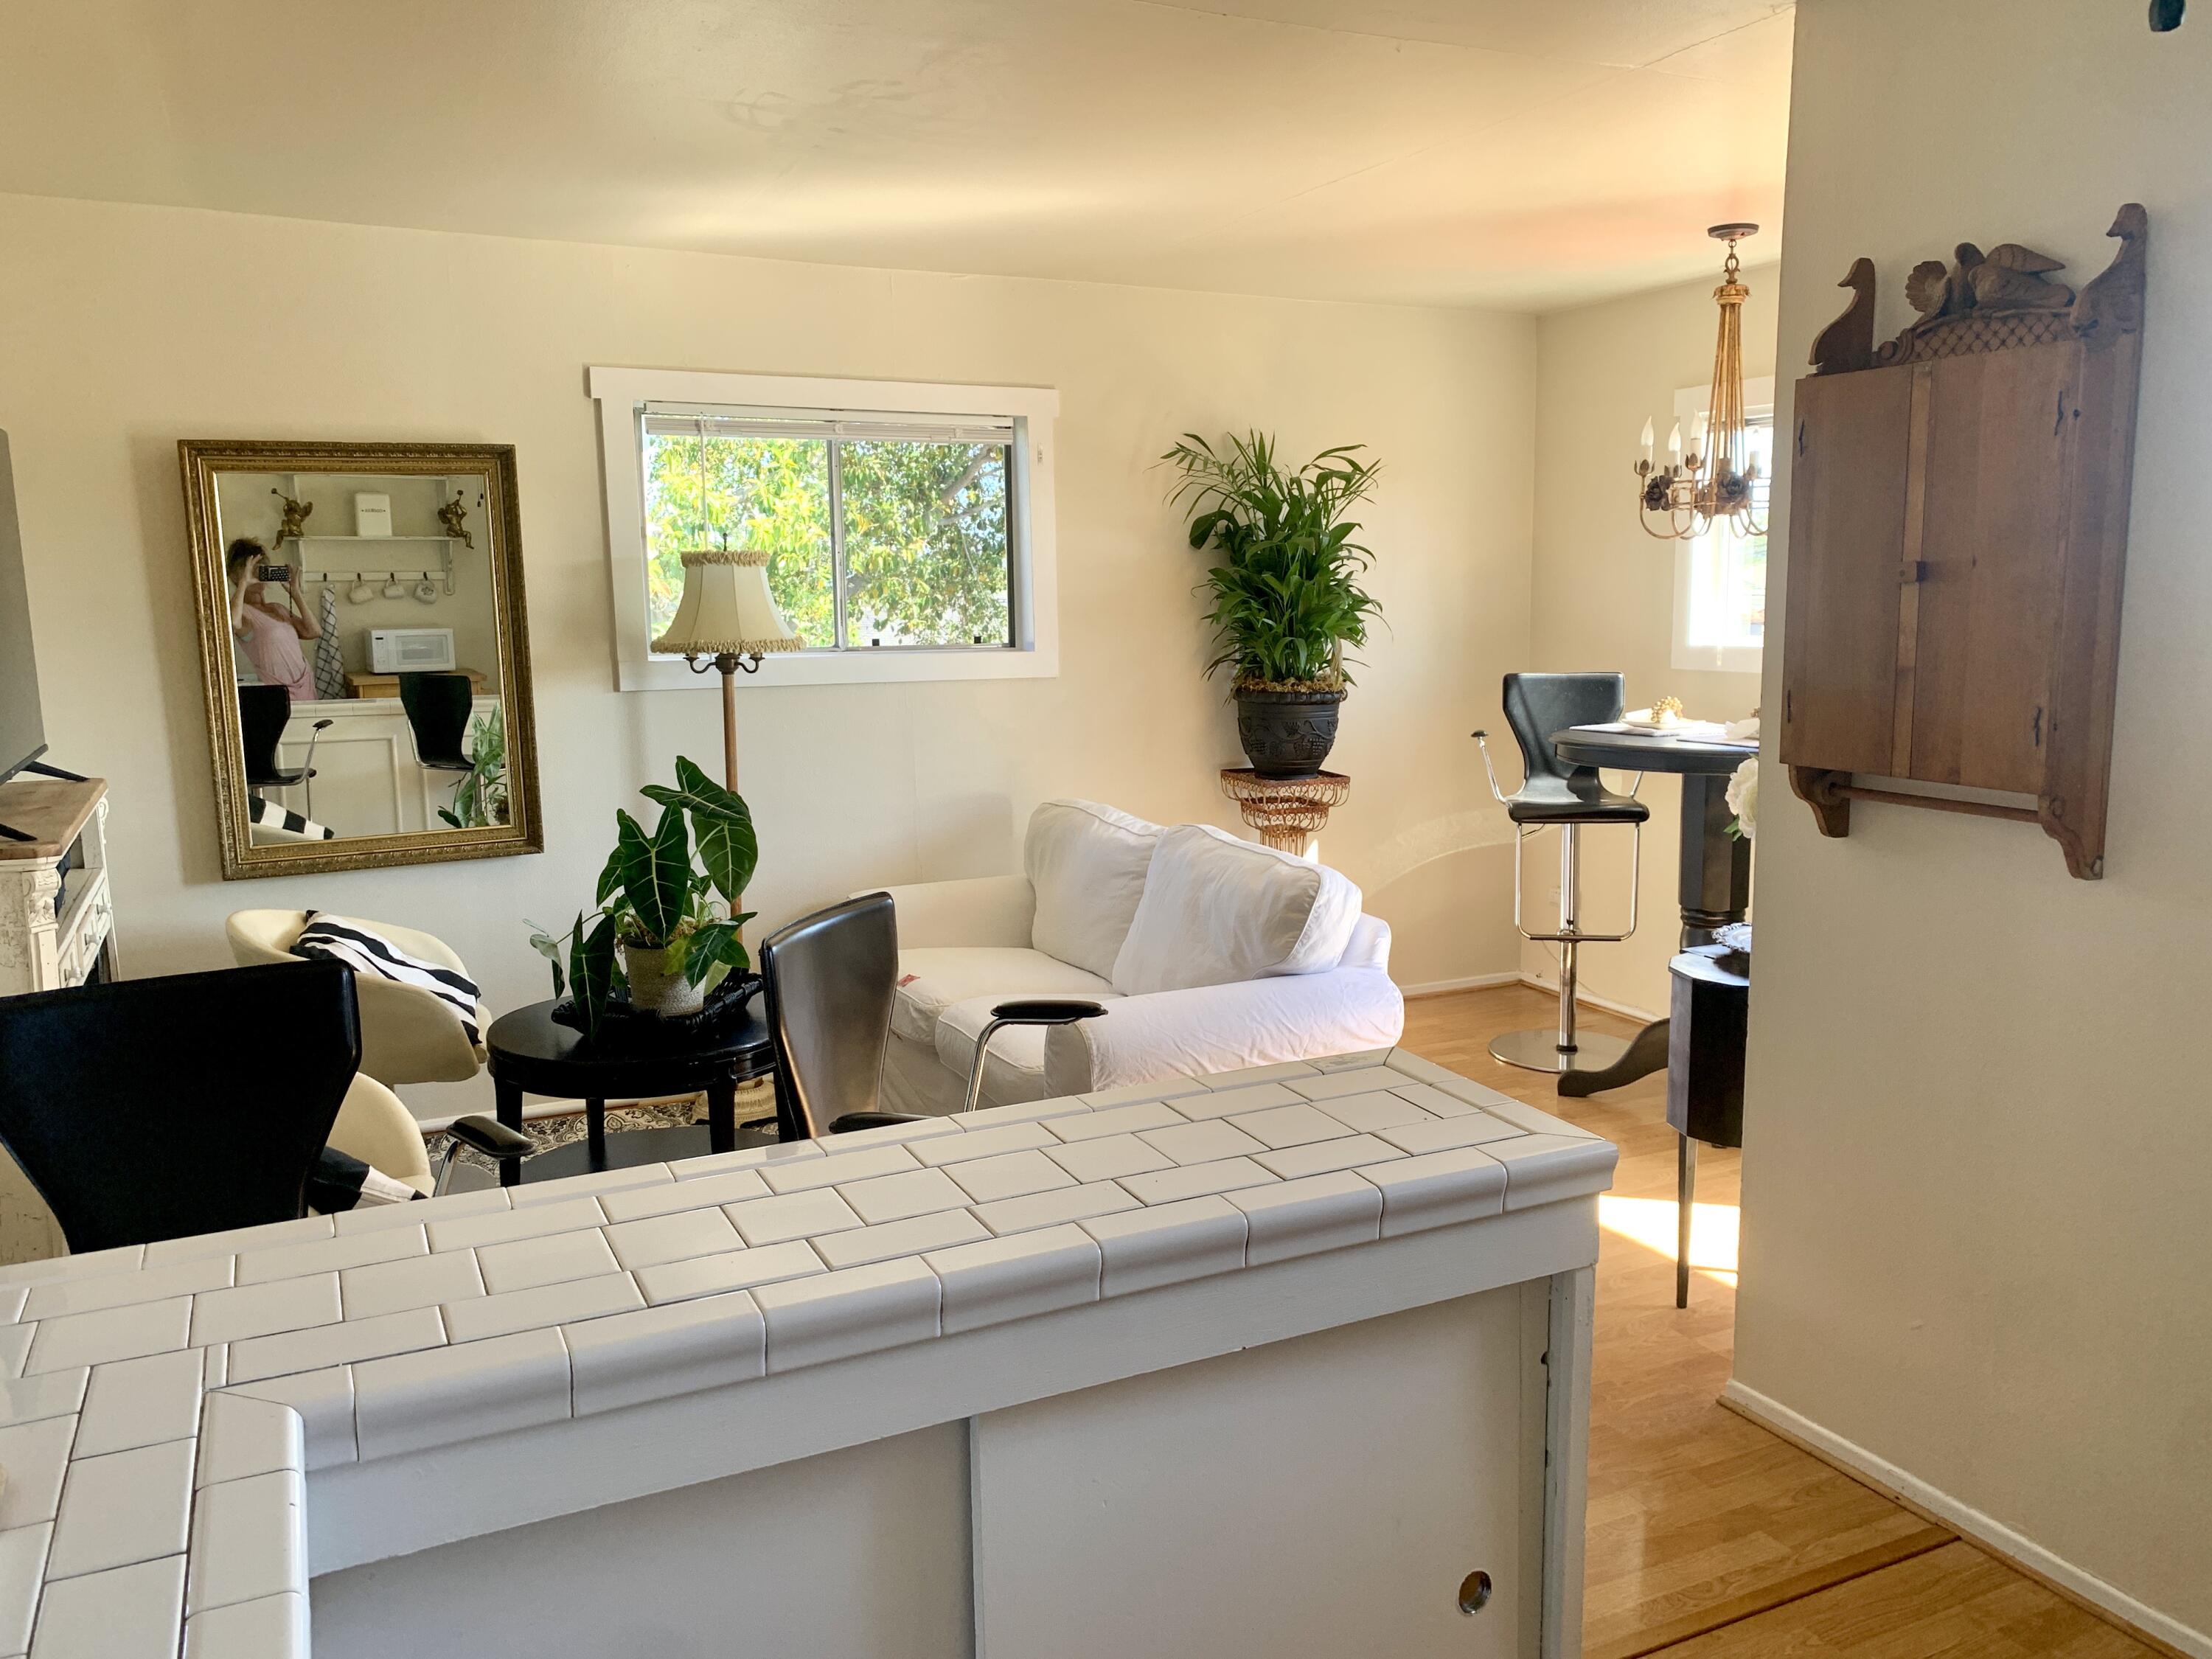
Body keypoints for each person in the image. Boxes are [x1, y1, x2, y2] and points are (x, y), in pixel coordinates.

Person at [226, 538, 321, 701]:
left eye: (261, 567)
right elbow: (233, 623)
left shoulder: (277, 608)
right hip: (279, 692)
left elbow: (314, 631)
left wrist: (295, 593)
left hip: (305, 685)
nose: (258, 573)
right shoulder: (244, 614)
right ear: (234, 575)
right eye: (252, 568)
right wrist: (243, 583)